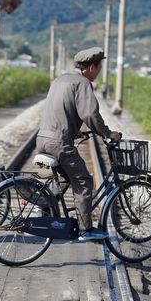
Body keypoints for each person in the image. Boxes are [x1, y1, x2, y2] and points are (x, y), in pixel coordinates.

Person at [36, 46, 122, 242]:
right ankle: (85, 229)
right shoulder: (82, 82)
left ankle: (45, 204)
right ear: (91, 67)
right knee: (84, 181)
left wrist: (76, 132)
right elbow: (89, 114)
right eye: (99, 67)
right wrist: (108, 134)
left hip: (43, 139)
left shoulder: (60, 80)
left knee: (67, 178)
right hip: (59, 142)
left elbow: (61, 112)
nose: (99, 71)